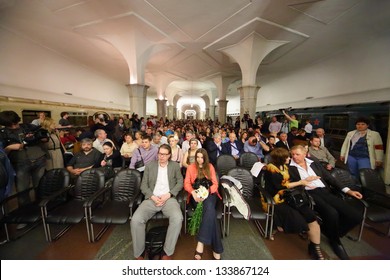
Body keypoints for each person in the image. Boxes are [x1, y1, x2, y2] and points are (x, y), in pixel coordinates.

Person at [288, 145, 363, 259]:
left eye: (297, 154)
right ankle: (335, 242)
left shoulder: (314, 162)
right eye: (292, 154)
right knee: (332, 213)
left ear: (304, 154)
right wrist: (303, 182)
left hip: (325, 191)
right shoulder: (289, 166)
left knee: (356, 216)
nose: (294, 157)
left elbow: (329, 178)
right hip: (309, 193)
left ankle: (331, 233)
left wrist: (348, 191)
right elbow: (290, 185)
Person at [264, 148, 324, 259]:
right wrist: (301, 182)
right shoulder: (271, 169)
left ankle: (315, 247)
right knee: (299, 221)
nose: (290, 158)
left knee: (311, 216)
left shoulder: (285, 167)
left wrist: (306, 179)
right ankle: (284, 226)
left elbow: (290, 181)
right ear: (281, 158)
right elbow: (280, 186)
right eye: (288, 157)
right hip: (277, 198)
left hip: (289, 196)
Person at [131, 144, 183, 260]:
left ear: (169, 155)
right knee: (136, 220)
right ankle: (139, 253)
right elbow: (143, 185)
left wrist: (169, 194)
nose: (161, 156)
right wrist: (152, 196)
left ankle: (167, 252)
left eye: (164, 154)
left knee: (177, 218)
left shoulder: (174, 166)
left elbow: (180, 182)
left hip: (168, 199)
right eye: (160, 154)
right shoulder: (150, 166)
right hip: (152, 199)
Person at [0, 111, 47, 210]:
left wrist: (41, 137)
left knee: (40, 187)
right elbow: (1, 155)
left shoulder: (27, 126)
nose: (14, 127)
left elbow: (44, 135)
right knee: (22, 190)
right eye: (10, 125)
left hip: (38, 159)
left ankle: (43, 209)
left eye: (15, 123)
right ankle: (25, 213)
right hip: (19, 164)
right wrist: (9, 148)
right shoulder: (2, 134)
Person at [184, 148, 223, 260]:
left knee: (209, 208)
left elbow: (215, 184)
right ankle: (217, 249)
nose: (199, 160)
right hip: (196, 196)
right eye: (197, 157)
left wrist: (207, 192)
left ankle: (200, 242)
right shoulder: (191, 167)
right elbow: (186, 183)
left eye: (202, 157)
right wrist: (193, 193)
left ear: (205, 158)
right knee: (211, 213)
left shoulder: (210, 166)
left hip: (209, 194)